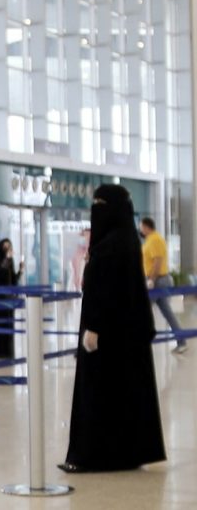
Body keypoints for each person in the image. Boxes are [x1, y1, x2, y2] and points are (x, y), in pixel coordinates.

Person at [59, 185, 166, 473]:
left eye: (100, 204)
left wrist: (93, 328)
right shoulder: (126, 240)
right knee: (124, 394)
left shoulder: (114, 245)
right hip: (125, 338)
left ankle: (95, 454)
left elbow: (106, 291)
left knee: (100, 394)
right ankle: (124, 452)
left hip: (106, 337)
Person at [140, 217, 188, 354]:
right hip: (156, 280)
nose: (140, 229)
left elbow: (158, 260)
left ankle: (136, 341)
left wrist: (152, 280)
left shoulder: (155, 239)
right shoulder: (150, 240)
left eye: (141, 226)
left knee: (140, 310)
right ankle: (182, 341)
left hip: (158, 280)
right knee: (167, 313)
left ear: (146, 227)